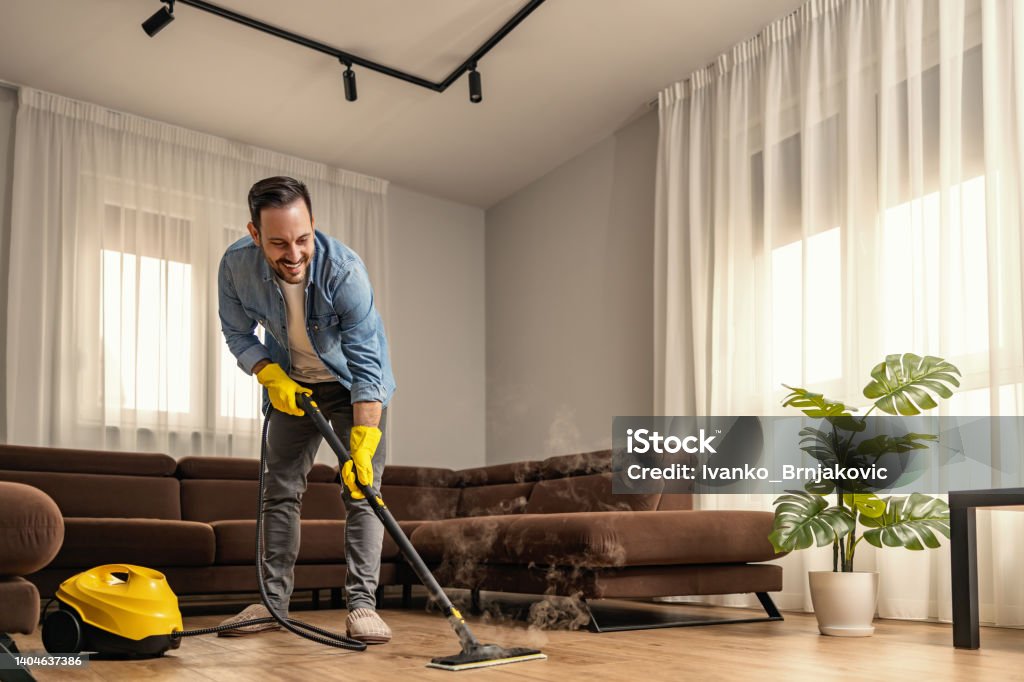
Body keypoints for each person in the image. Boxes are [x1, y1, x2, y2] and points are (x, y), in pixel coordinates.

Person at [216, 176, 396, 643]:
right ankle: (272, 606)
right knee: (280, 491)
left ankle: (362, 606)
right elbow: (237, 333)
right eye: (277, 243)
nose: (293, 254)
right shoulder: (235, 267)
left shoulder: (345, 273)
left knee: (363, 491)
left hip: (350, 386)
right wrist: (268, 374)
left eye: (302, 238)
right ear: (255, 235)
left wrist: (363, 442)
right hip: (289, 386)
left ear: (313, 224)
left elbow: (367, 366)